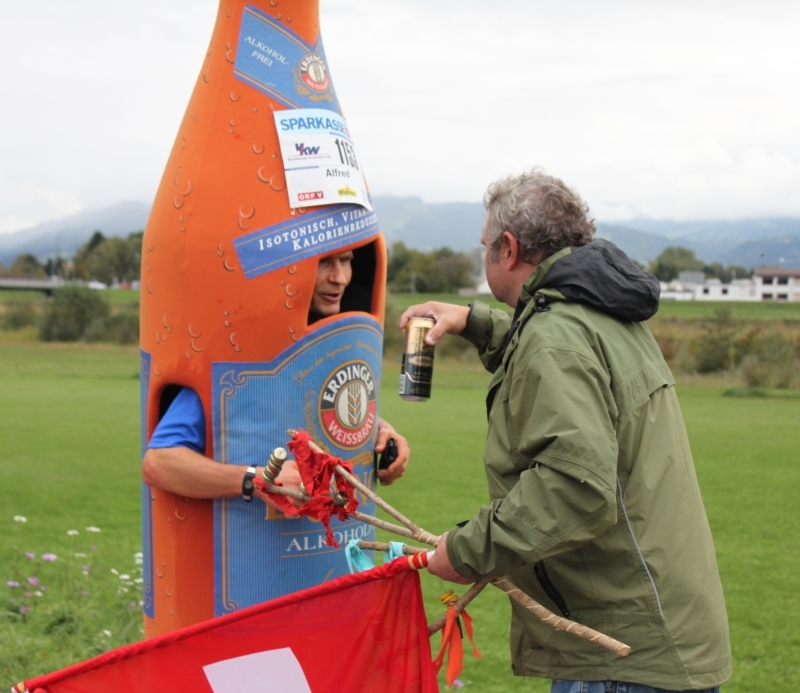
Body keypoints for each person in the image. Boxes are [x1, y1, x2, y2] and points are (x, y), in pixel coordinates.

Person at [404, 170, 731, 693]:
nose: (485, 254)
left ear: (507, 249)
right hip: (663, 638)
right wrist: (477, 322)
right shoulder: (602, 310)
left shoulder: (556, 336)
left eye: (486, 246)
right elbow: (562, 354)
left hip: (621, 658)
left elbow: (574, 488)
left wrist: (466, 551)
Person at [142, 247, 409, 524]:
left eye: (345, 261)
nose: (340, 278)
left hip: (331, 557)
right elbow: (159, 463)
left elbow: (310, 409)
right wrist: (257, 479)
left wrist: (381, 432)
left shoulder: (327, 345)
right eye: (324, 263)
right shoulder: (236, 357)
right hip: (249, 561)